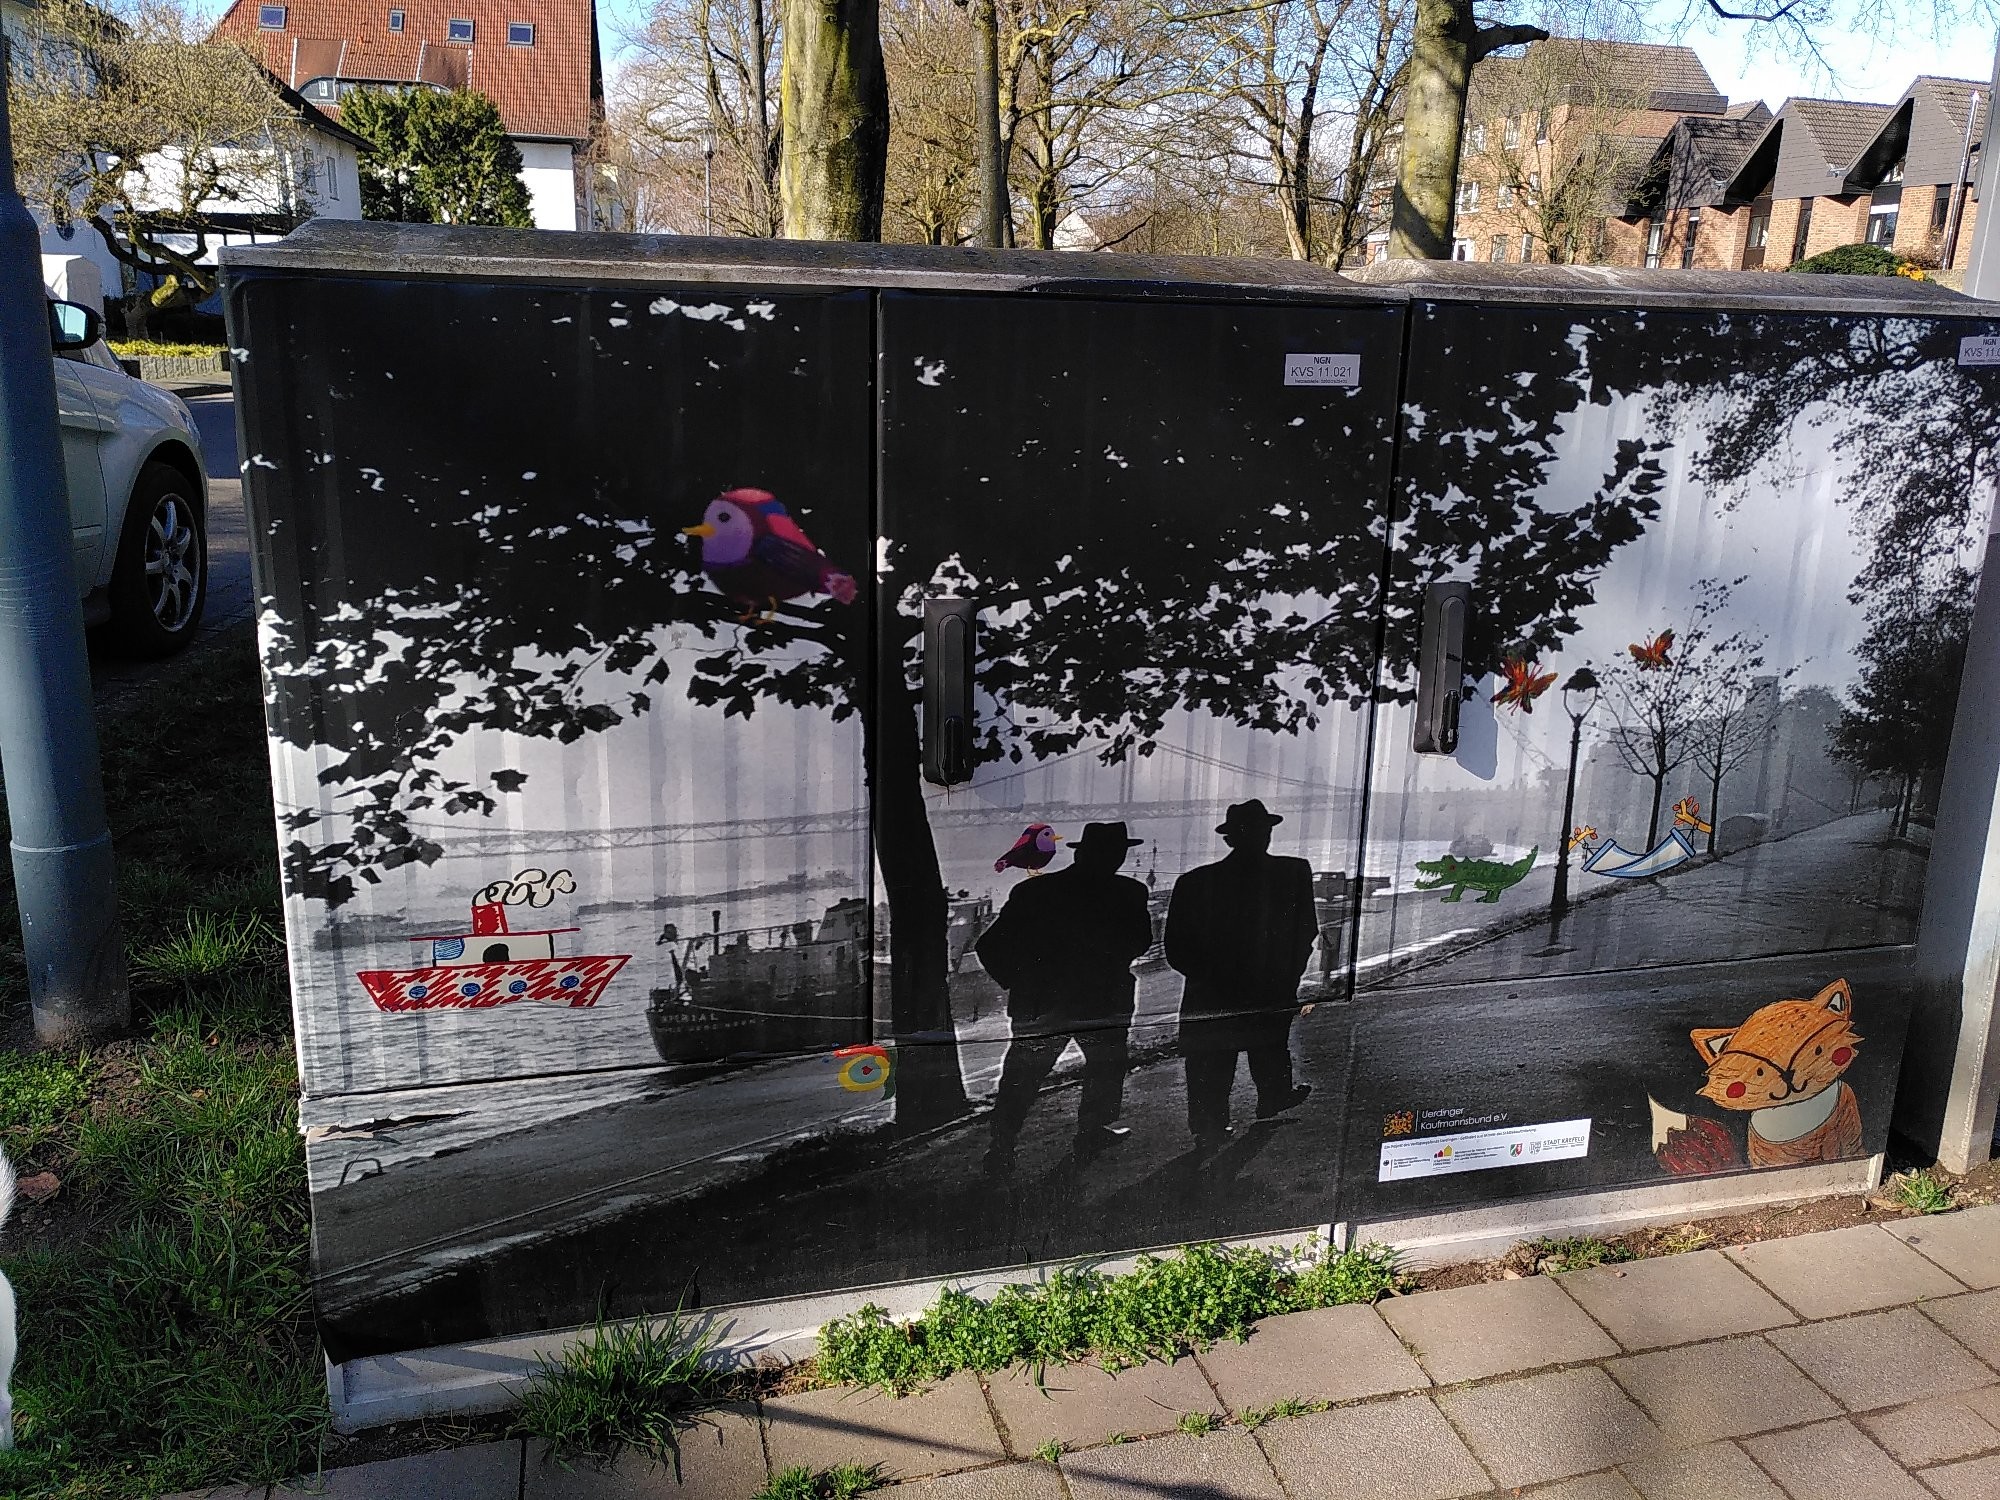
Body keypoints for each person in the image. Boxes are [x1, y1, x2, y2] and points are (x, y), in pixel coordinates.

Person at [973, 822, 1153, 1175]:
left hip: (1040, 1003)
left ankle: (1002, 1147)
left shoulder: (1034, 892)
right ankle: (1092, 1131)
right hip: (1104, 1001)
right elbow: (1141, 941)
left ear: (1079, 852)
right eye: (1117, 852)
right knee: (1105, 1068)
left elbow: (989, 946)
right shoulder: (1130, 892)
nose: (1117, 858)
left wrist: (1020, 982)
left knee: (1022, 1076)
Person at [1166, 799, 1319, 1151]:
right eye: (1261, 829)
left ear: (1229, 839)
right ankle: (1272, 1097)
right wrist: (1286, 977)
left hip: (1211, 993)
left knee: (1211, 1061)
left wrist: (1211, 978)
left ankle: (1210, 1127)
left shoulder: (1194, 882)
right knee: (1268, 1044)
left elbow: (1176, 946)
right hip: (1268, 986)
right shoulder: (1294, 872)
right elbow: (1305, 931)